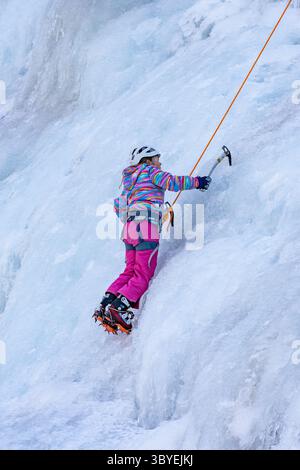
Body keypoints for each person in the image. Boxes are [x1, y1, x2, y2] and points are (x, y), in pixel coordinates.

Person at [94, 146, 211, 334]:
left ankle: (106, 304)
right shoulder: (150, 171)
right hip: (145, 228)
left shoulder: (128, 182)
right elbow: (171, 182)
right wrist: (198, 182)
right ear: (147, 160)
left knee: (129, 271)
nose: (160, 163)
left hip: (129, 229)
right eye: (157, 159)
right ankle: (119, 307)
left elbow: (118, 206)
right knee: (142, 274)